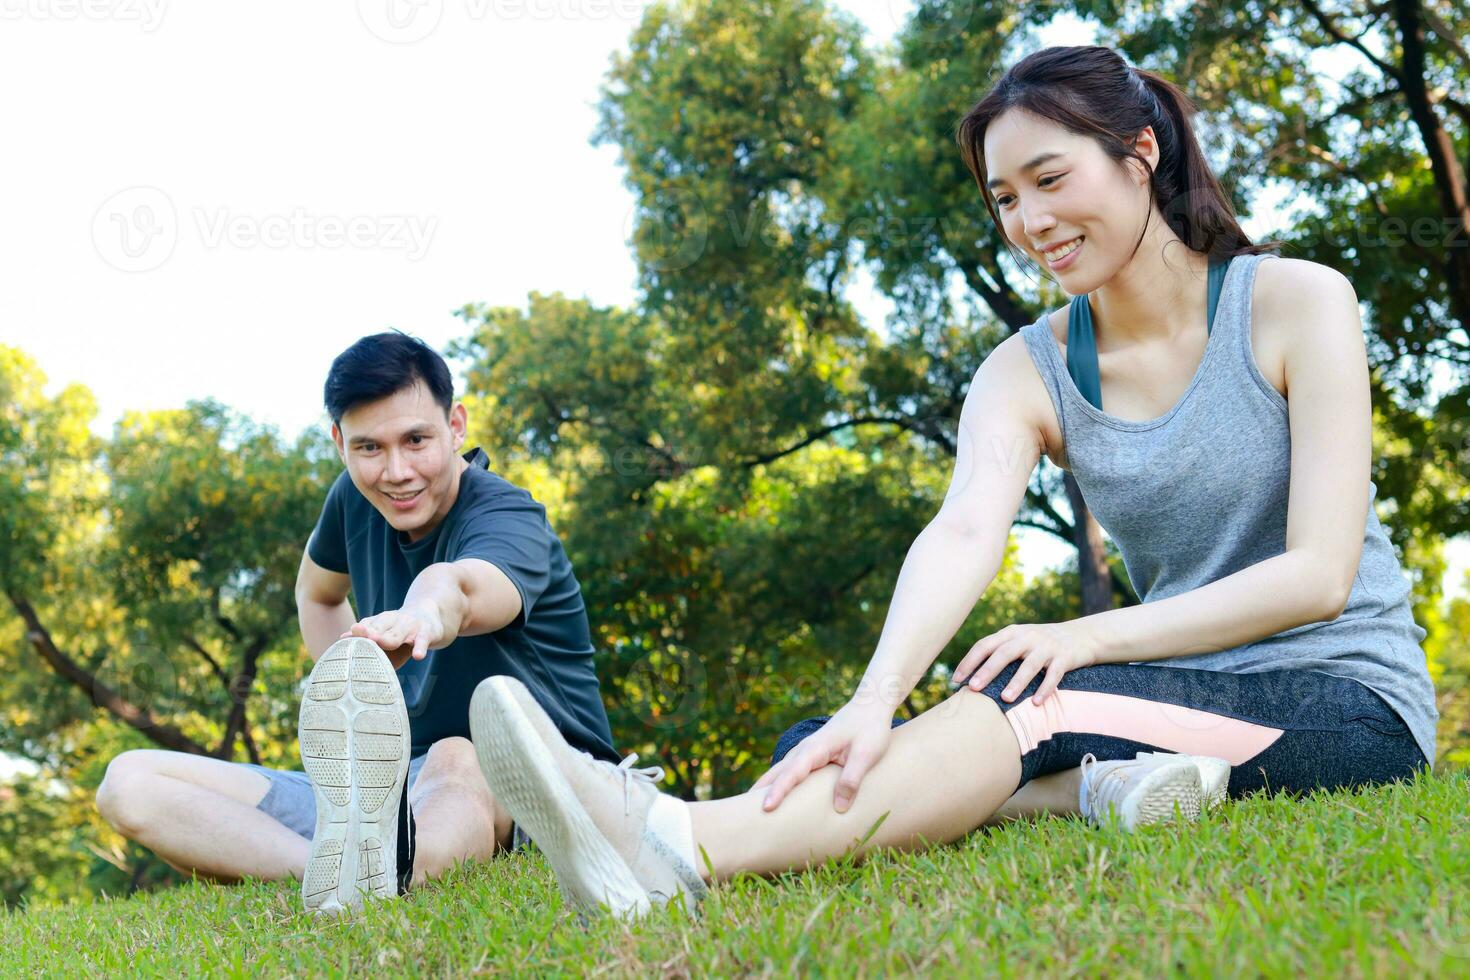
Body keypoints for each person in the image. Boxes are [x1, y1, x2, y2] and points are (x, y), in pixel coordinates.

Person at [462, 45, 1438, 920]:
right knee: (839, 736)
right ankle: (1092, 786)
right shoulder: (1029, 368)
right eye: (1006, 198)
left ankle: (674, 841)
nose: (1031, 220)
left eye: (1050, 178)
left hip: (1348, 707)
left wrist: (1080, 636)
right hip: (1173, 693)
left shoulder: (1295, 302)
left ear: (1141, 152)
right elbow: (967, 529)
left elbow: (1318, 572)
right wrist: (874, 697)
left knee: (1041, 696)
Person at [96, 331, 622, 914]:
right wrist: (353, 689)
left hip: (539, 779)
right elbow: (316, 593)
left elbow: (463, 589)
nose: (396, 471)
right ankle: (334, 875)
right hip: (386, 792)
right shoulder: (352, 498)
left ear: (456, 426)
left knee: (454, 752)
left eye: (416, 440)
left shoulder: (507, 515)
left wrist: (422, 614)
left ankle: (388, 873)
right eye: (369, 448)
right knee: (130, 783)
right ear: (339, 443)